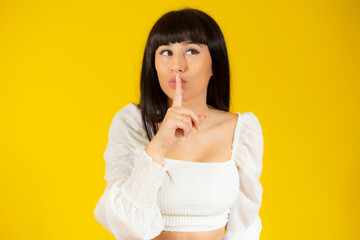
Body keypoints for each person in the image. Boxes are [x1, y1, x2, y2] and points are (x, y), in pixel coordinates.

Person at [94, 8, 264, 240]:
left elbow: (245, 229)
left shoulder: (242, 131)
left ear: (215, 64)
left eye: (192, 50)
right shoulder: (132, 123)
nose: (177, 65)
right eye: (166, 52)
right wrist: (157, 146)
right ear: (152, 65)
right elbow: (124, 224)